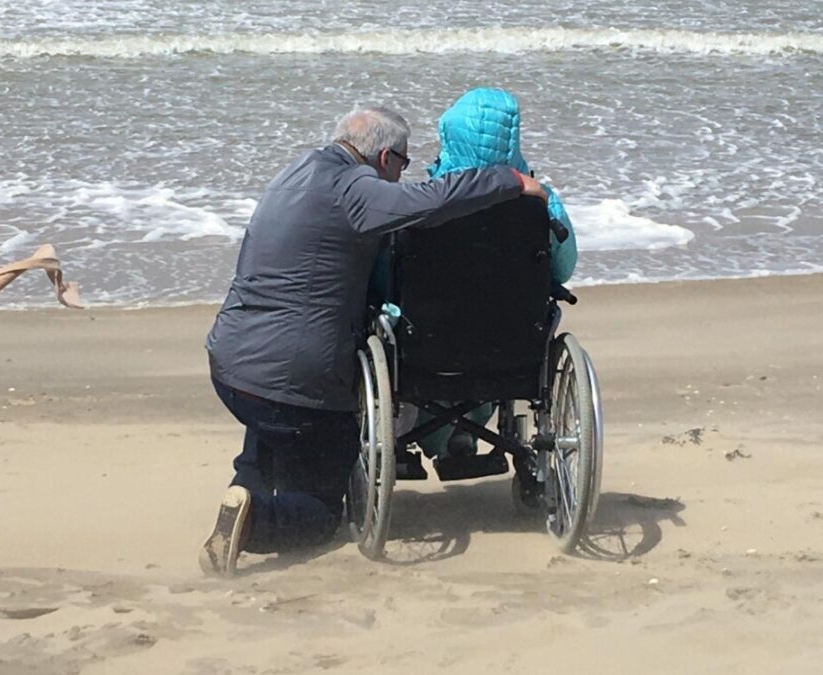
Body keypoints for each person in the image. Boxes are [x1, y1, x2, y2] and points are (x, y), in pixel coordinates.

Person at [200, 106, 548, 577]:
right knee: (322, 511)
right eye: (403, 164)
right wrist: (506, 179)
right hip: (296, 383)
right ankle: (256, 523)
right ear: (385, 157)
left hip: (231, 363)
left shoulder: (293, 173)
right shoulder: (354, 188)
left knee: (271, 416)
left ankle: (241, 494)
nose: (404, 174)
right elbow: (431, 200)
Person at [413, 88, 578, 461]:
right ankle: (461, 435)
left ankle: (435, 437)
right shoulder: (539, 200)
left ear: (449, 135)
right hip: (513, 344)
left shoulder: (423, 200)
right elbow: (564, 268)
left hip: (426, 344)